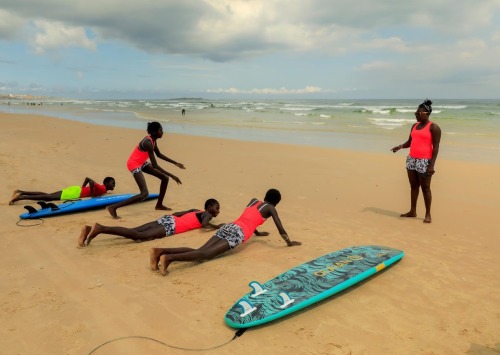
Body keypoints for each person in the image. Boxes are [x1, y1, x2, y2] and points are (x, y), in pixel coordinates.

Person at [149, 188, 301, 276]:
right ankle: (168, 258)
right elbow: (280, 228)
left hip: (229, 226)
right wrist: (289, 242)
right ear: (276, 202)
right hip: (238, 233)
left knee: (200, 250)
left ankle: (160, 251)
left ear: (265, 197)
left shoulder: (254, 201)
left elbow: (250, 217)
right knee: (204, 255)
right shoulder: (271, 208)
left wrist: (258, 233)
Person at [107, 121, 184, 219]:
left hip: (141, 162)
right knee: (144, 193)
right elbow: (155, 165)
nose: (162, 132)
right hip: (133, 164)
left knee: (165, 178)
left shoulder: (153, 140)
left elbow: (159, 155)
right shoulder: (148, 143)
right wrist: (173, 175)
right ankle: (113, 207)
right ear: (154, 132)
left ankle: (159, 205)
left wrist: (175, 163)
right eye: (161, 130)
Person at [78, 198, 222, 247]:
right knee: (138, 236)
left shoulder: (196, 210)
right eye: (217, 208)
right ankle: (100, 228)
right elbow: (204, 225)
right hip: (172, 226)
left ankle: (90, 229)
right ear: (209, 207)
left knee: (135, 230)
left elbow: (178, 213)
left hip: (169, 219)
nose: (218, 211)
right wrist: (217, 226)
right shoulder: (207, 215)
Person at [391, 99, 441, 223]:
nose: (416, 115)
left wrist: (431, 165)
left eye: (418, 113)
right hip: (412, 159)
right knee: (413, 186)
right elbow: (410, 142)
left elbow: (436, 148)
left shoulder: (434, 128)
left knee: (425, 188)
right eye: (415, 113)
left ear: (426, 114)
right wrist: (400, 146)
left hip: (425, 162)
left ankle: (428, 214)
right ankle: (413, 211)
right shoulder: (414, 126)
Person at [9, 177, 115, 204]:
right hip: (75, 193)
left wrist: (83, 188)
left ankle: (21, 191)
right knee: (48, 198)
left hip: (76, 190)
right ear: (106, 183)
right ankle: (20, 197)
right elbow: (90, 180)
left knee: (48, 195)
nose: (114, 185)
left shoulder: (103, 189)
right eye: (112, 183)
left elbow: (88, 180)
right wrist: (92, 196)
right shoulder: (102, 188)